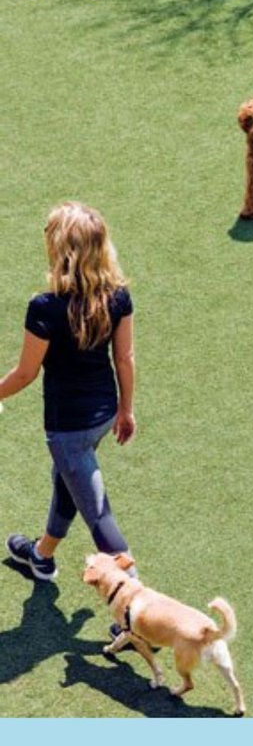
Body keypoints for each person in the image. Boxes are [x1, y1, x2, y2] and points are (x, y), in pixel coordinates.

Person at [0, 203, 137, 582]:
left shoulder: (45, 307)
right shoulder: (118, 297)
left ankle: (137, 608)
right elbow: (124, 359)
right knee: (69, 480)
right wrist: (126, 410)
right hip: (104, 414)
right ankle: (41, 555)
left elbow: (26, 373)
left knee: (99, 516)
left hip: (68, 428)